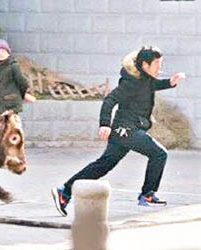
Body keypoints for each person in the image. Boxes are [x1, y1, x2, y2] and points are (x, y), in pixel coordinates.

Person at [51, 46, 186, 217]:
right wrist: (105, 124)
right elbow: (110, 99)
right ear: (145, 64)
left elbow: (152, 86)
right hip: (126, 129)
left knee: (104, 165)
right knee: (159, 154)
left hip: (126, 129)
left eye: (161, 63)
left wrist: (170, 82)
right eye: (157, 63)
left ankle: (64, 191)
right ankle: (147, 194)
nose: (160, 67)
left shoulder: (145, 78)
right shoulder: (131, 82)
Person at [0, 39, 34, 114]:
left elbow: (22, 83)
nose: (1, 54)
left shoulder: (13, 66)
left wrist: (21, 95)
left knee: (12, 125)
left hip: (11, 105)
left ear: (8, 53)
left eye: (3, 51)